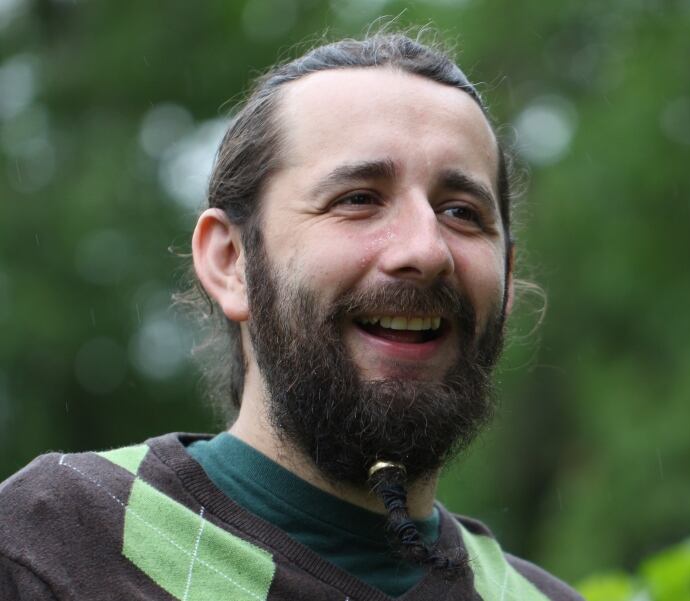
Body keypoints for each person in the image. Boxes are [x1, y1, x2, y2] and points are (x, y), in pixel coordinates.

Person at [0, 33, 583, 600]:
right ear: (232, 262)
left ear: (506, 279)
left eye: (461, 211)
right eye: (358, 199)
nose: (426, 251)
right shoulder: (52, 546)